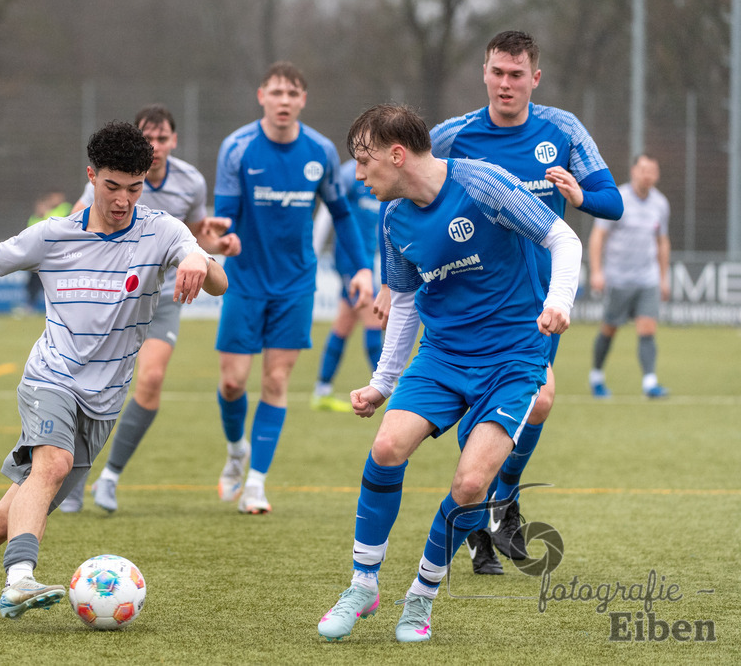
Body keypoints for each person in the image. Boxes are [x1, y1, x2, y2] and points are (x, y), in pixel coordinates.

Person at [0, 121, 228, 622]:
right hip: (50, 378)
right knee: (52, 465)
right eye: (111, 186)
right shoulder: (54, 235)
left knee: (6, 519)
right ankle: (19, 581)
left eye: (134, 187)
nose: (122, 199)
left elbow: (217, 282)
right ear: (91, 176)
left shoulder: (162, 230)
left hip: (103, 402)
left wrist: (198, 260)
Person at [317, 103, 581, 643]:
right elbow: (408, 302)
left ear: (397, 155)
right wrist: (383, 381)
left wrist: (559, 300)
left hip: (513, 360)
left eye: (364, 163)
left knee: (469, 483)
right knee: (387, 447)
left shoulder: (483, 183)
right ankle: (363, 585)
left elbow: (564, 238)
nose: (359, 176)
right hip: (442, 358)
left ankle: (421, 596)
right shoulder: (395, 219)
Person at [428, 29, 623, 574]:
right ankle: (485, 513)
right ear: (484, 73)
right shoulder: (453, 137)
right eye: (498, 72)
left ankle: (497, 503)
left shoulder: (561, 131)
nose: (506, 83)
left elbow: (613, 202)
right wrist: (387, 279)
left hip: (538, 303)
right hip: (470, 299)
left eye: (517, 74)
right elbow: (399, 184)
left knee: (532, 404)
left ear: (534, 78)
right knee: (495, 408)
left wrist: (581, 196)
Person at [59, 104, 239, 514]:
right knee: (91, 387)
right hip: (111, 299)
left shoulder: (191, 181)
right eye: (148, 138)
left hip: (162, 298)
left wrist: (217, 246)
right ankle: (73, 478)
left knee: (152, 378)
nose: (155, 146)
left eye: (162, 138)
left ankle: (111, 477)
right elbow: (76, 225)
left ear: (173, 140)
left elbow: (193, 238)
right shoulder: (113, 175)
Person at [213, 61, 374, 514]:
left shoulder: (320, 151)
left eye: (292, 93)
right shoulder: (237, 148)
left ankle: (257, 484)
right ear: (261, 95)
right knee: (231, 383)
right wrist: (220, 238)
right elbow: (224, 214)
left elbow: (342, 214)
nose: (284, 100)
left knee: (277, 379)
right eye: (276, 92)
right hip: (243, 279)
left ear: (303, 100)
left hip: (296, 283)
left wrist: (361, 268)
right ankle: (235, 452)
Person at [588, 154, 671, 398]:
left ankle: (649, 382)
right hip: (618, 278)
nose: (647, 175)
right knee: (610, 328)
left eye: (652, 170)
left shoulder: (661, 204)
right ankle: (596, 376)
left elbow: (662, 241)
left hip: (648, 278)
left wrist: (664, 277)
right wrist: (596, 271)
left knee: (647, 328)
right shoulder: (617, 199)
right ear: (633, 171)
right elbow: (598, 236)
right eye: (643, 169)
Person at [310, 158, 384, 413]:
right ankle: (389, 388)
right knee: (374, 319)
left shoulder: (384, 173)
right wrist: (314, 253)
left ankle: (322, 390)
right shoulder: (349, 174)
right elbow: (328, 213)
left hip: (365, 261)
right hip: (350, 261)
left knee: (345, 322)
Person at [23, 190, 72, 311]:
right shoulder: (35, 217)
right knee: (33, 282)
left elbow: (56, 226)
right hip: (38, 255)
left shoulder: (65, 209)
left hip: (57, 253)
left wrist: (45, 213)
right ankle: (30, 305)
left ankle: (59, 307)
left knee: (56, 281)